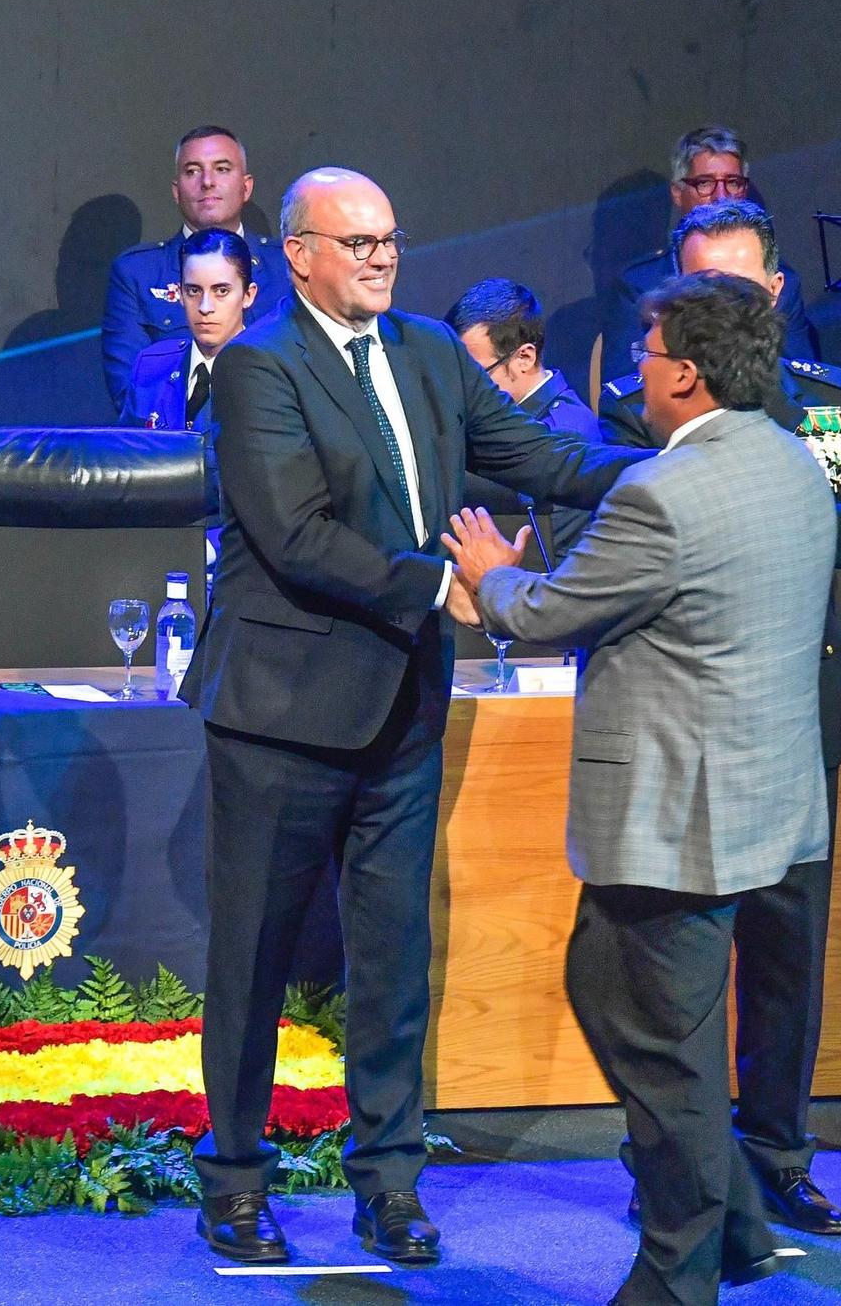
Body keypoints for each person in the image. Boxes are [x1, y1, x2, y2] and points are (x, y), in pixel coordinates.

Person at [178, 167, 643, 1268]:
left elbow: (541, 456)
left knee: (392, 958)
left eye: (388, 238)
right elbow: (295, 536)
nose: (380, 257)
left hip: (399, 710)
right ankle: (234, 1181)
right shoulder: (258, 366)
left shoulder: (432, 351)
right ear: (297, 254)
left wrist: (676, 463)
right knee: (251, 957)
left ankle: (387, 1182)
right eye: (356, 242)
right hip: (279, 714)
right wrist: (446, 587)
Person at [449, 271, 837, 1302]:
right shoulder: (794, 464)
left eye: (646, 352)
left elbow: (544, 613)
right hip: (760, 804)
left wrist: (487, 570)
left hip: (677, 818)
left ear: (688, 375)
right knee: (623, 1001)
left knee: (656, 1046)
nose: (634, 368)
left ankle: (678, 1269)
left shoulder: (660, 493)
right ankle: (740, 1223)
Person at [597, 199, 841, 1237]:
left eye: (732, 288)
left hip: (790, 707)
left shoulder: (814, 401)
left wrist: (781, 499)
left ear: (773, 292)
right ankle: (677, 1165)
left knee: (785, 948)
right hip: (681, 721)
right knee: (668, 967)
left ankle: (774, 1151)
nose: (711, 307)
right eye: (695, 288)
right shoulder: (643, 399)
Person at [596, 125, 818, 386]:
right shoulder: (639, 284)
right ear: (677, 193)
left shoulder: (781, 282)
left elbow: (803, 383)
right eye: (705, 183)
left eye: (732, 183)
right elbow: (623, 387)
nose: (721, 196)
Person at [101, 125, 292, 411]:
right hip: (175, 444)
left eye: (222, 169)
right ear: (176, 191)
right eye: (192, 171)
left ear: (246, 186)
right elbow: (132, 396)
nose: (207, 182)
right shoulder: (137, 273)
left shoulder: (286, 266)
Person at [447, 276, 602, 556]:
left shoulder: (564, 435)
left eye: (474, 374)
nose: (461, 387)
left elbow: (558, 561)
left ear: (524, 358)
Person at [117, 227, 257, 430]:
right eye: (193, 291)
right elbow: (126, 456)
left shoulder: (271, 375)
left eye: (221, 291)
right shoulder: (151, 366)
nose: (205, 307)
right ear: (180, 294)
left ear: (248, 295)